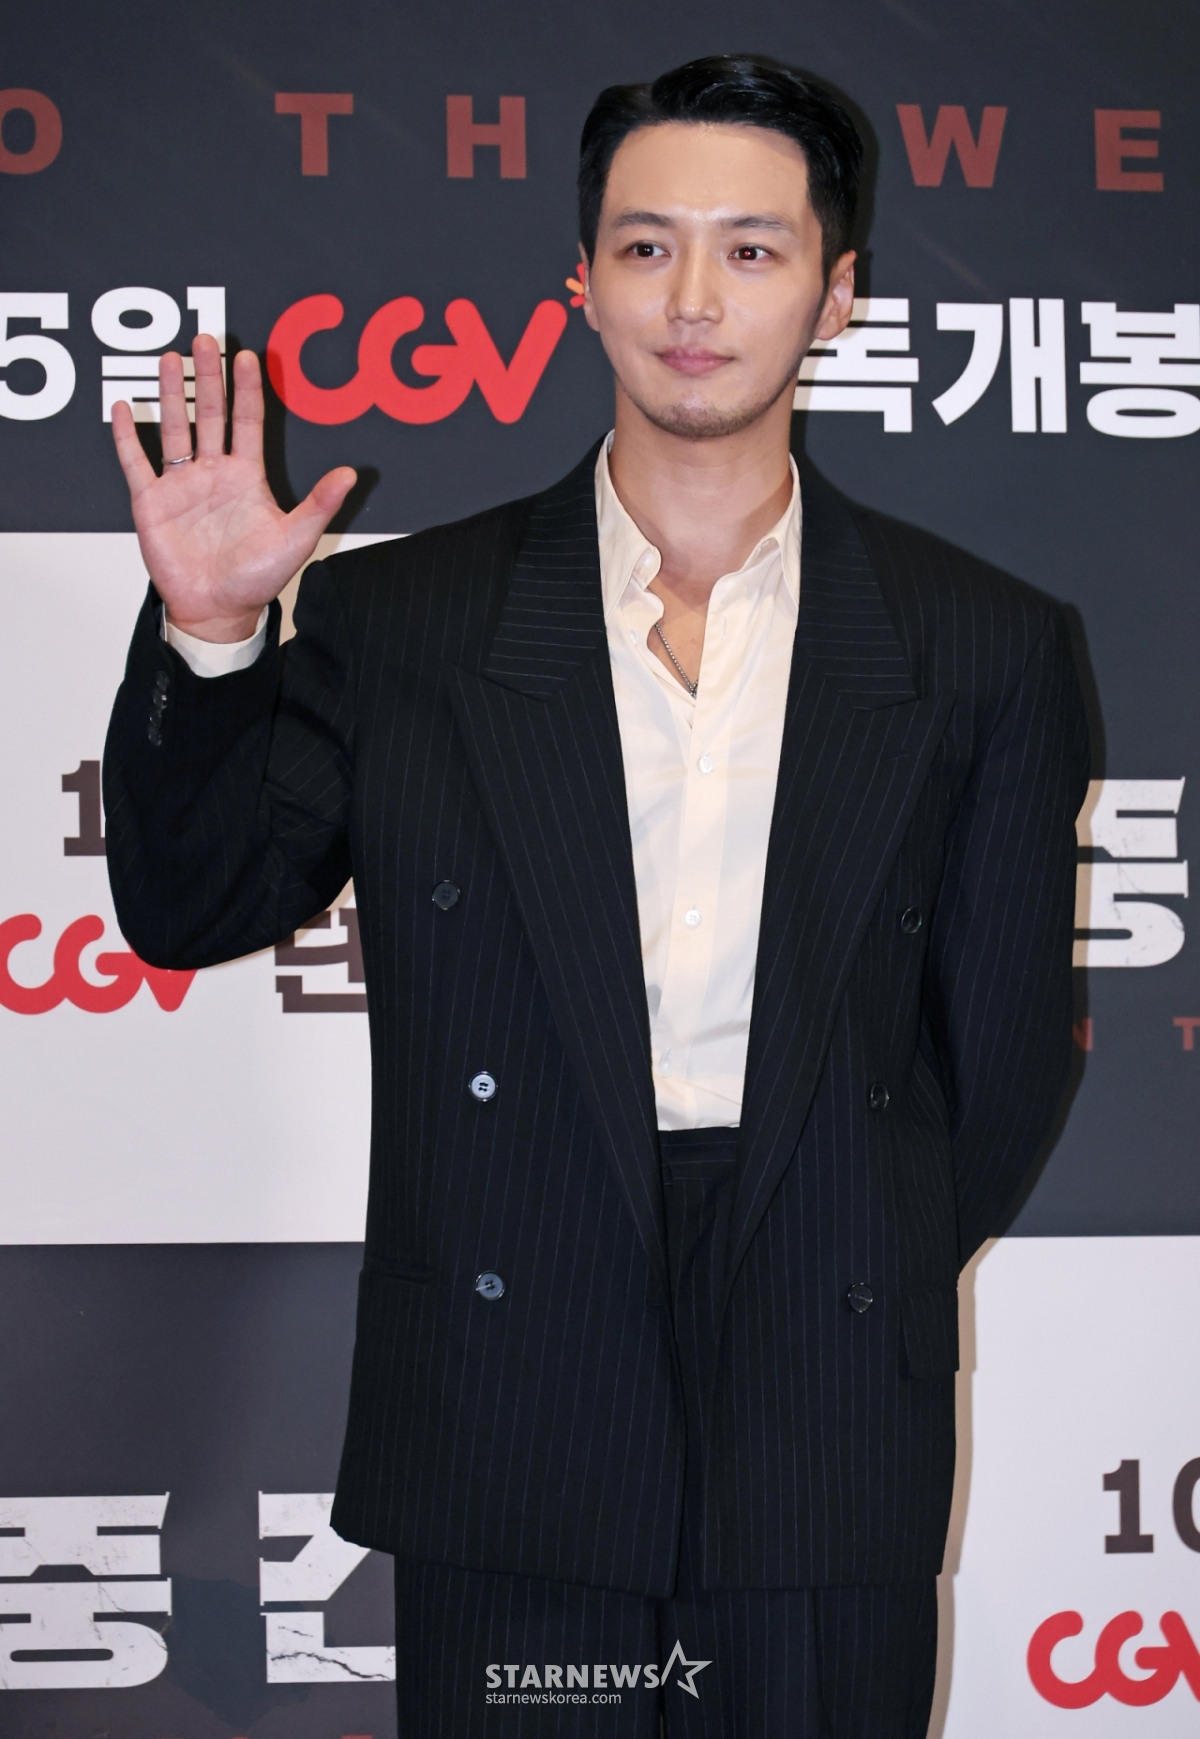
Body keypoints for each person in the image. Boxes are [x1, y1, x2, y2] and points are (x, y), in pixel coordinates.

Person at [103, 53, 1088, 1739]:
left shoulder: (980, 642)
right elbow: (191, 907)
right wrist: (211, 635)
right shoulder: (410, 619)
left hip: (822, 1376)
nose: (694, 299)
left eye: (753, 250)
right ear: (580, 282)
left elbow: (999, 1060)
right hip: (513, 1370)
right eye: (646, 246)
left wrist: (850, 1245)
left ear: (837, 294)